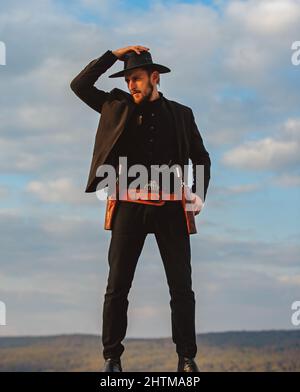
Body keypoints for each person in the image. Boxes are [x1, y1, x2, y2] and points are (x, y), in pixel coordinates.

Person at [70, 45, 211, 372]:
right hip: (128, 208)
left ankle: (187, 359)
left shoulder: (181, 114)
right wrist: (113, 55)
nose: (131, 84)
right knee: (117, 286)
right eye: (128, 78)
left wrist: (197, 193)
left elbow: (201, 158)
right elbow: (79, 86)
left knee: (181, 287)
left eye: (137, 78)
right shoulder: (114, 105)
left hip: (171, 208)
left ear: (154, 77)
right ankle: (112, 359)